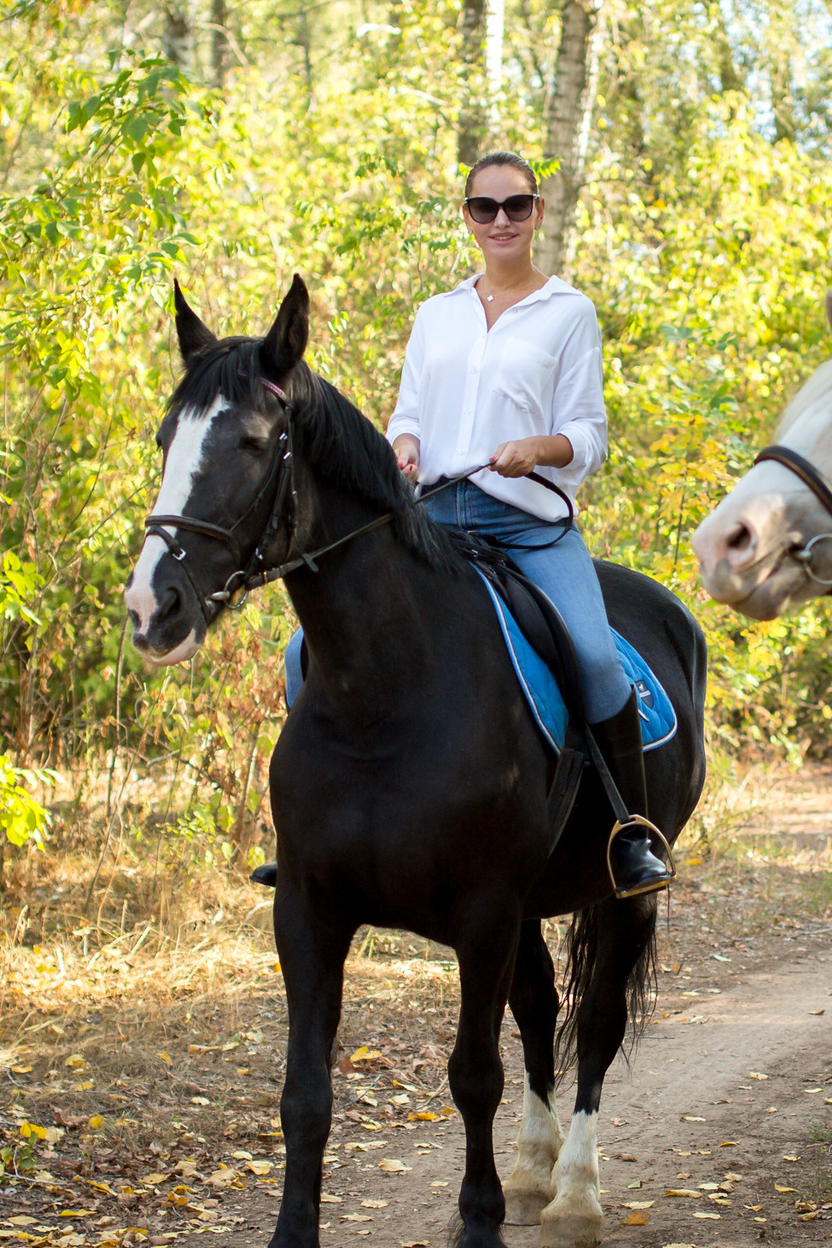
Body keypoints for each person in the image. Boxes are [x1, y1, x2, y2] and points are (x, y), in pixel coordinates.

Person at [274, 150, 671, 898]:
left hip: (527, 525)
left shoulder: (568, 313)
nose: (501, 221)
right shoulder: (437, 314)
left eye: (516, 206)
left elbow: (589, 433)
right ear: (466, 215)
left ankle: (629, 832)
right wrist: (404, 446)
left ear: (538, 214)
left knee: (591, 657)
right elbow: (410, 412)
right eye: (484, 208)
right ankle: (311, 830)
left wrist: (539, 448)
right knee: (304, 648)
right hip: (429, 520)